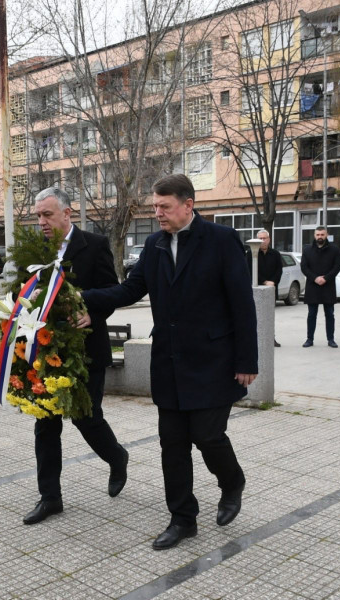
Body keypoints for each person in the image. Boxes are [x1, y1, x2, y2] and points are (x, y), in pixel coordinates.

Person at [81, 174, 257, 550]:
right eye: (155, 207)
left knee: (207, 435)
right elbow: (131, 289)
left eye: (164, 206)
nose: (157, 213)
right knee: (172, 444)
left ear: (188, 205)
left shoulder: (222, 240)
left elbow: (242, 304)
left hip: (213, 361)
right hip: (170, 362)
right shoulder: (155, 244)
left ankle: (232, 482)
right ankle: (182, 519)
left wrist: (247, 360)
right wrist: (83, 298)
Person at [21, 187, 129, 526]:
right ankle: (50, 498)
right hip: (46, 349)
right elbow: (22, 289)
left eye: (47, 214)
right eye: (38, 216)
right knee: (45, 423)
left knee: (87, 417)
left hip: (86, 350)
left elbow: (111, 291)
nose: (41, 222)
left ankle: (117, 457)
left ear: (67, 213)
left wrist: (92, 314)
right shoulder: (35, 250)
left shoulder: (94, 245)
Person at [300, 226, 340, 348]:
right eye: (318, 235)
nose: (320, 237)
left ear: (326, 235)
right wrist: (315, 278)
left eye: (322, 234)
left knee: (330, 314)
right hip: (312, 286)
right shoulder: (307, 250)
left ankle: (331, 339)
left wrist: (326, 278)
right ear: (314, 235)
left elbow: (337, 266)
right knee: (311, 314)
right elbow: (304, 267)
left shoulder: (334, 249)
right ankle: (309, 339)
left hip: (328, 286)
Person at [255, 229, 282, 347]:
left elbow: (279, 270)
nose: (262, 240)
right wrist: (264, 281)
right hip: (256, 290)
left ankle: (271, 339)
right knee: (256, 316)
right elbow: (250, 270)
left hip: (271, 289)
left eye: (264, 238)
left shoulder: (275, 254)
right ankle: (256, 339)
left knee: (270, 316)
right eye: (260, 238)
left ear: (269, 239)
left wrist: (273, 282)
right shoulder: (251, 254)